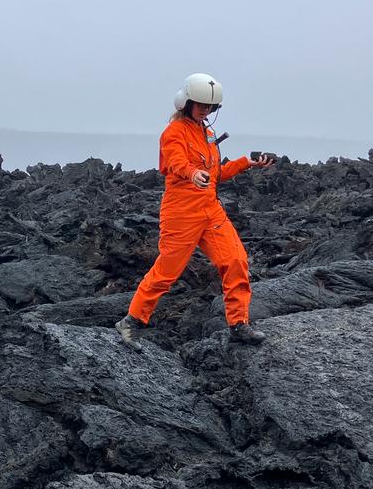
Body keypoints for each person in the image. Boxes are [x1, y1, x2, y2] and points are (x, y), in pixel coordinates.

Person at [116, 73, 274, 349]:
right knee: (167, 272)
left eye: (210, 107)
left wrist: (247, 163)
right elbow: (176, 162)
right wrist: (192, 173)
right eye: (200, 104)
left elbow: (216, 173)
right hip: (181, 213)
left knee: (236, 260)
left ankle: (239, 324)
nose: (205, 110)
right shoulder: (173, 132)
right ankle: (132, 321)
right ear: (186, 102)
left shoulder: (207, 132)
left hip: (210, 211)